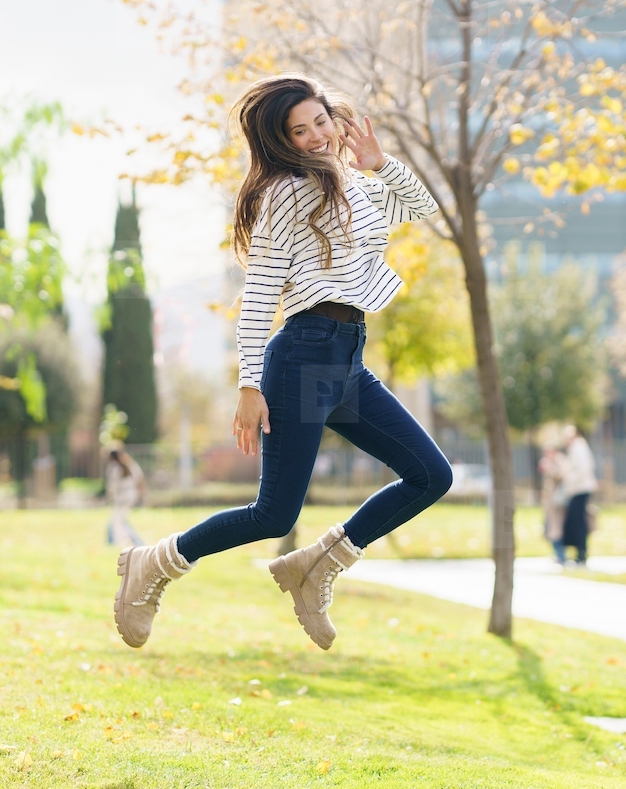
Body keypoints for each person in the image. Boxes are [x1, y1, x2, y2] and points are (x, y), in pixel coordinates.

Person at [112, 74, 450, 651]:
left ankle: (317, 565)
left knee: (430, 476)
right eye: (300, 131)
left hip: (347, 356)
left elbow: (424, 208)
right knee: (273, 513)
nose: (316, 136)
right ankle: (153, 565)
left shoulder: (353, 182)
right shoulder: (286, 193)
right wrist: (249, 385)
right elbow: (261, 292)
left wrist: (379, 161)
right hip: (303, 354)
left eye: (321, 121)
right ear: (282, 141)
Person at [559, 425, 597, 567]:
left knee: (578, 521)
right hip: (576, 489)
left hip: (580, 489)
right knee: (575, 521)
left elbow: (582, 469)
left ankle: (582, 553)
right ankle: (579, 552)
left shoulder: (579, 447)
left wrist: (569, 480)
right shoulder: (576, 448)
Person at [105, 448, 146, 548]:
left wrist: (108, 498)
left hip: (121, 499)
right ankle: (113, 541)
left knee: (118, 521)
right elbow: (138, 478)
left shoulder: (114, 467)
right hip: (130, 496)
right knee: (121, 520)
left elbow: (112, 486)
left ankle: (134, 541)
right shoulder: (127, 465)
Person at [538, 446, 568, 565]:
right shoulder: (549, 461)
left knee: (556, 529)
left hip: (557, 502)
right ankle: (557, 554)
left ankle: (561, 555)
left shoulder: (559, 461)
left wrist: (549, 467)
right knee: (550, 529)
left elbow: (561, 475)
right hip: (550, 502)